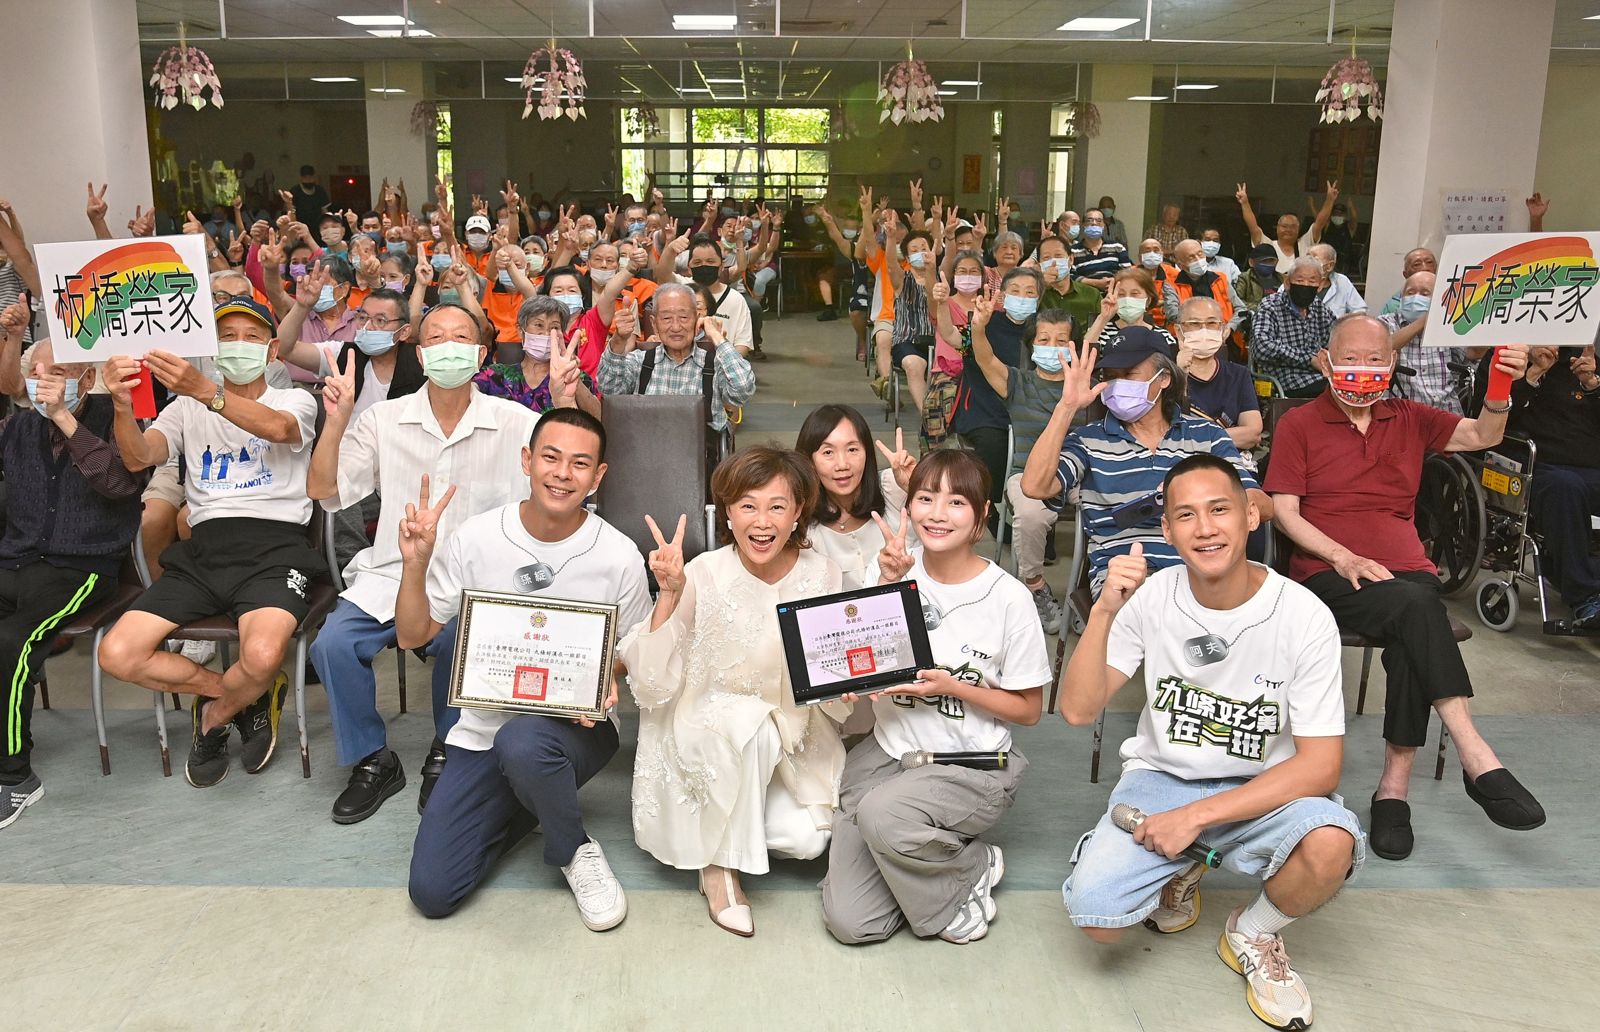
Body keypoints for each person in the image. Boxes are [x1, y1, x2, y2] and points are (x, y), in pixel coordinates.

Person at [1060, 454, 1364, 1032]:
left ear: (1250, 515)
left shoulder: (1304, 616)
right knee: (1096, 918)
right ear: (1167, 530)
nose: (1204, 528)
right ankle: (1179, 867)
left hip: (1261, 787)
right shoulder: (1153, 597)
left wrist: (1194, 818)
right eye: (1186, 515)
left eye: (1219, 509)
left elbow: (1321, 766)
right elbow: (1077, 709)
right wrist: (1103, 612)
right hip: (1162, 780)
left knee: (1331, 844)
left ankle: (1252, 932)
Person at [1266, 316, 1544, 860]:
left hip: (1407, 571)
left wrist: (1500, 386)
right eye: (1350, 358)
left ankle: (1394, 790)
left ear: (1392, 364)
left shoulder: (1410, 416)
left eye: (1375, 359)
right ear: (1326, 361)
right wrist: (1342, 556)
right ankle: (1471, 755)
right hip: (1329, 573)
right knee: (1420, 610)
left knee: (1412, 624)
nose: (1363, 369)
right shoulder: (1300, 422)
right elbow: (1285, 512)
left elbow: (1483, 436)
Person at [402, 408, 650, 931]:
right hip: (481, 730)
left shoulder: (619, 555)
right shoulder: (477, 537)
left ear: (598, 475)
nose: (563, 473)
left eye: (580, 463)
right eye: (550, 457)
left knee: (523, 742)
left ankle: (573, 848)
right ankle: (535, 799)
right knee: (433, 891)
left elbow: (635, 647)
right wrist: (415, 563)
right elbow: (412, 634)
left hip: (576, 728)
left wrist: (607, 675)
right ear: (526, 460)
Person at [307, 303, 544, 823]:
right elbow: (323, 490)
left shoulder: (517, 423)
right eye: (435, 338)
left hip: (473, 583)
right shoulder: (383, 420)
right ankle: (373, 758)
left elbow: (562, 481)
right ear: (419, 354)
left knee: (463, 637)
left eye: (461, 338)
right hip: (393, 572)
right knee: (333, 644)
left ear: (480, 355)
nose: (448, 348)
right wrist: (337, 421)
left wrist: (569, 402)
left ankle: (448, 748)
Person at [822, 449, 1048, 945]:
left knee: (882, 816)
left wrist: (953, 687)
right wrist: (886, 583)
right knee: (852, 923)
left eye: (956, 502)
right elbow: (857, 666)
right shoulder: (890, 570)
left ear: (982, 514)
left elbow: (1030, 710)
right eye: (925, 498)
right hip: (890, 753)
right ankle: (935, 854)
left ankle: (968, 864)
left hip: (971, 766)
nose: (937, 514)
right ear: (909, 505)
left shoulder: (1009, 598)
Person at [98, 298, 325, 788]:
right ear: (213, 349)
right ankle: (240, 694)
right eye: (227, 337)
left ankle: (214, 716)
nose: (238, 345)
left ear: (271, 351)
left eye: (251, 337)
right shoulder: (183, 408)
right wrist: (121, 404)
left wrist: (205, 390)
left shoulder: (294, 400)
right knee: (117, 653)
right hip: (203, 550)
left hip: (275, 548)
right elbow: (138, 457)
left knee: (261, 656)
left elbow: (279, 430)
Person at [624, 447, 846, 937]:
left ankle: (715, 825)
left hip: (792, 737)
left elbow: (828, 665)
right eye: (748, 505)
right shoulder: (704, 571)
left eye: (777, 506)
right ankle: (719, 871)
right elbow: (651, 681)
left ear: (798, 512)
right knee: (754, 722)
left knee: (807, 842)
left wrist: (848, 685)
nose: (761, 521)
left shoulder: (823, 572)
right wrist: (669, 593)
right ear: (727, 512)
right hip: (707, 727)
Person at [0, 342, 143, 827]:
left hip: (82, 567)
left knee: (12, 641)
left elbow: (121, 484)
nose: (43, 381)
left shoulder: (114, 417)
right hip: (16, 560)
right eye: (35, 371)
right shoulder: (18, 426)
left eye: (57, 371)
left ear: (86, 379)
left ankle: (15, 776)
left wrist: (64, 418)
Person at [1019, 328, 1272, 594]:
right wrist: (1066, 407)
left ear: (1163, 378)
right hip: (1127, 575)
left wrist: (1198, 494)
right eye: (1110, 377)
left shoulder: (1207, 435)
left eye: (1129, 374)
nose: (1118, 385)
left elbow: (1263, 506)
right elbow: (1034, 487)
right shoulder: (1088, 440)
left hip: (1204, 567)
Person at [969, 296, 1076, 632]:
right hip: (1026, 475)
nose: (1053, 347)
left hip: (1077, 475)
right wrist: (978, 328)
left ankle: (1091, 585)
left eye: (1061, 340)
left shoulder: (1083, 388)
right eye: (1044, 339)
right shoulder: (1018, 382)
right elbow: (985, 359)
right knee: (1030, 514)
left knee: (1111, 503)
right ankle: (1035, 586)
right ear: (1031, 346)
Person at [1509, 345, 1600, 628]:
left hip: (1590, 467)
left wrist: (1592, 386)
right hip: (1541, 467)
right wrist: (1533, 374)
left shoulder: (1588, 362)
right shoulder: (1512, 357)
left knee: (1572, 485)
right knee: (1565, 487)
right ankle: (1584, 598)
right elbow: (1488, 419)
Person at [952, 267, 1041, 535]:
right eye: (1015, 291)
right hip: (985, 406)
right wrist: (975, 326)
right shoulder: (983, 320)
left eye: (1030, 292)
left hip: (1028, 407)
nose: (1022, 297)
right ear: (1002, 294)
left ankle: (1039, 520)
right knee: (994, 445)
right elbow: (955, 340)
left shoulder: (1044, 328)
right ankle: (989, 510)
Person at [598, 283, 754, 433]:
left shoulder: (715, 364)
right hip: (646, 446)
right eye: (666, 318)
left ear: (697, 319)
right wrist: (619, 340)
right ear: (654, 324)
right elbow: (610, 391)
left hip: (703, 449)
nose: (676, 327)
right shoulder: (639, 361)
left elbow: (742, 391)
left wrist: (717, 337)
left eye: (684, 317)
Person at [797, 405, 909, 590]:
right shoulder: (800, 524)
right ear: (809, 460)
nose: (842, 464)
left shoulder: (893, 489)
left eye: (852, 449)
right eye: (828, 452)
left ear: (867, 452)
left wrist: (913, 486)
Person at [474, 295, 601, 418]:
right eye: (539, 325)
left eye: (554, 327)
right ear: (520, 330)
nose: (546, 333)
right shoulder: (496, 375)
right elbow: (467, 395)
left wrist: (573, 379)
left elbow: (596, 419)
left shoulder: (577, 376)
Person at [1381, 271, 1464, 414]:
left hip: (1447, 410)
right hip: (1403, 411)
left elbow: (1472, 354)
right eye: (1410, 293)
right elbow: (1385, 347)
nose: (1416, 298)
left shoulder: (1449, 324)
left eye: (1425, 294)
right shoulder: (1386, 322)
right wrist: (1427, 319)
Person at [1251, 257, 1334, 398]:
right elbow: (1262, 347)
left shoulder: (1319, 307)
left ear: (1320, 285)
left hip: (1320, 375)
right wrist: (1309, 359)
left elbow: (1335, 339)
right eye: (1300, 281)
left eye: (1312, 282)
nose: (1305, 285)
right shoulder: (1270, 305)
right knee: (1332, 388)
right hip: (1285, 378)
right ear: (1287, 282)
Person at [1236, 181, 1336, 273]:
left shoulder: (1305, 244)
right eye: (1284, 226)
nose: (1288, 230)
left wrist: (1330, 200)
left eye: (1293, 227)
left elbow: (1319, 223)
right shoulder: (1268, 245)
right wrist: (1245, 203)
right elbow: (1253, 227)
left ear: (1298, 229)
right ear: (1277, 228)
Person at [1161, 240, 1245, 345]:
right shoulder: (1171, 284)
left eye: (1200, 254)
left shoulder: (1220, 279)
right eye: (1191, 257)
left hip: (1224, 338)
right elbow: (1173, 314)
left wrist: (1230, 327)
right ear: (1180, 265)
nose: (1198, 259)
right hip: (1187, 340)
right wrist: (1203, 327)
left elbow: (1241, 309)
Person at [1084, 267, 1178, 358]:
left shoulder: (1163, 336)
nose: (1127, 299)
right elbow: (1084, 358)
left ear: (1148, 300)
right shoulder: (1100, 331)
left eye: (1134, 294)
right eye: (1121, 294)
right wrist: (1103, 318)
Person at [1036, 234, 1100, 332]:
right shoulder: (1032, 294)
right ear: (1039, 265)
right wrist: (1041, 287)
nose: (1053, 262)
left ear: (1070, 260)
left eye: (1058, 256)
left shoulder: (1092, 295)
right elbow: (1023, 320)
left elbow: (1099, 330)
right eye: (1046, 258)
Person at [1071, 209, 1131, 290]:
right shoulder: (1072, 251)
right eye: (1089, 220)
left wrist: (1112, 282)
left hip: (1114, 292)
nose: (1094, 223)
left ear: (1103, 225)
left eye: (1099, 221)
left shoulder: (1117, 247)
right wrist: (1096, 283)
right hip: (1086, 293)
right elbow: (1070, 276)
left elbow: (1127, 272)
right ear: (1083, 224)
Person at [1308, 243, 1365, 319]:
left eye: (1314, 259)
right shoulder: (1298, 280)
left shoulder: (1342, 281)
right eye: (1307, 258)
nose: (1308, 262)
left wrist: (1341, 320)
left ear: (1330, 266)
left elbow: (1360, 311)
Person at [1377, 248, 1437, 316]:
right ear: (1406, 275)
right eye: (1417, 264)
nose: (1425, 268)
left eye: (1429, 262)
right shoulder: (1394, 307)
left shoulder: (1444, 297)